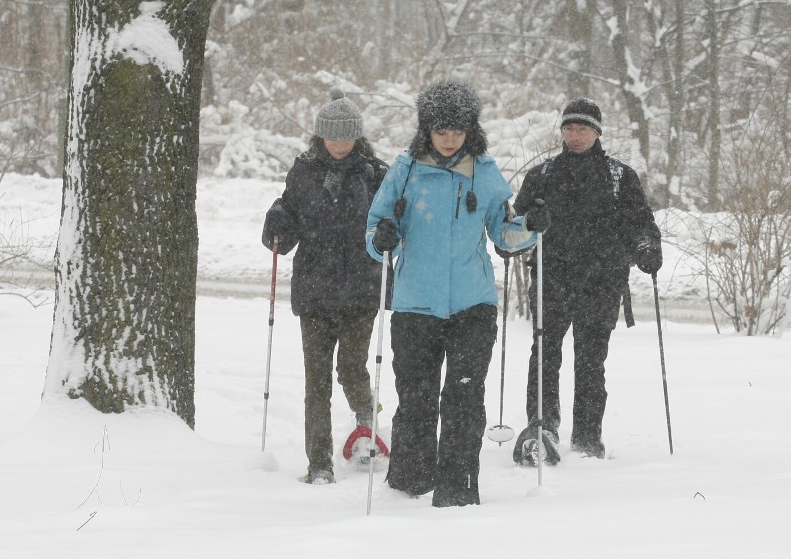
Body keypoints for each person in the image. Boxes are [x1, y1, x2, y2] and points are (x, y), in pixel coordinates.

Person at [365, 80, 544, 507]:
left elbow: (504, 231)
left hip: (472, 305)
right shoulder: (404, 170)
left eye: (458, 131)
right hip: (415, 305)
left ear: (470, 130)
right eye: (441, 130)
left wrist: (531, 226)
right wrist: (383, 237)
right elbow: (374, 231)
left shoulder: (484, 171)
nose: (449, 139)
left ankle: (458, 490)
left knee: (464, 399)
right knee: (417, 397)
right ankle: (410, 484)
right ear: (426, 129)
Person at [509, 97, 662, 466]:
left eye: (582, 129)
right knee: (545, 355)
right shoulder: (542, 175)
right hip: (551, 278)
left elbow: (641, 222)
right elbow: (512, 234)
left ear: (597, 132)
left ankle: (588, 437)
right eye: (569, 128)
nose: (575, 135)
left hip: (602, 281)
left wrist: (646, 246)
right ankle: (542, 427)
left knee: (591, 361)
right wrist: (531, 221)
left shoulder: (619, 176)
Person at [261, 87, 390, 486]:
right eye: (332, 137)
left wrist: (390, 230)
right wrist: (277, 225)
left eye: (346, 136)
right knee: (315, 380)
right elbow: (290, 218)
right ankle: (319, 463)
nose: (339, 144)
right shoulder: (303, 171)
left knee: (351, 368)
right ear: (320, 135)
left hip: (360, 290)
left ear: (357, 136)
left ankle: (367, 425)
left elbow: (392, 223)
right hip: (315, 290)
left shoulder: (376, 173)